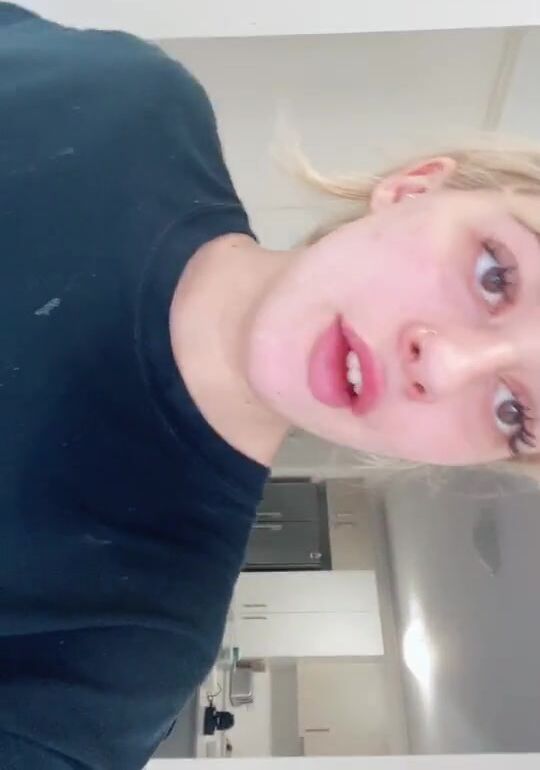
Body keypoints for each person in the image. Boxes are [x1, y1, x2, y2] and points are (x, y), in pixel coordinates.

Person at [1, 2, 539, 769]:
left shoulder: (132, 643)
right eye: (495, 274)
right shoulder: (129, 98)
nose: (445, 366)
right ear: (416, 188)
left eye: (514, 411)